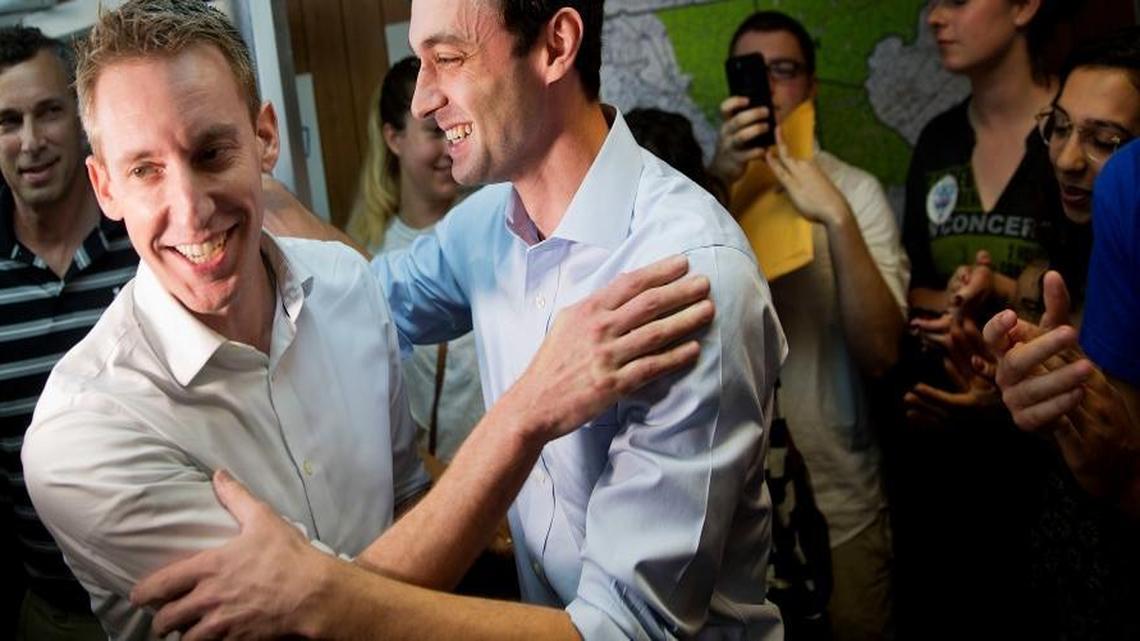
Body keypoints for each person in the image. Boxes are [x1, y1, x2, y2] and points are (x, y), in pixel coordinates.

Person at [21, 2, 715, 639]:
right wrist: (526, 410)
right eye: (145, 170)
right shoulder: (82, 435)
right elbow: (299, 627)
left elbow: (406, 501)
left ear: (264, 138)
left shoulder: (349, 288)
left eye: (212, 152)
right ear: (105, 185)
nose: (192, 206)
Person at [708, 11, 908, 640]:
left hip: (839, 498)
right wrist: (718, 180)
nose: (769, 88)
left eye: (784, 71)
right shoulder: (695, 198)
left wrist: (837, 220)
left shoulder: (857, 190)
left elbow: (882, 353)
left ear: (812, 85)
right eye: (751, 74)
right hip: (725, 513)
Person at [0, 25, 138, 640]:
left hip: (178, 603)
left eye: (48, 112)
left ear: (81, 119)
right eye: (7, 121)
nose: (30, 142)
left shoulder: (148, 242)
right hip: (51, 615)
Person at [345, 56, 483, 463]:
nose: (449, 146)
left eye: (455, 128)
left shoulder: (494, 225)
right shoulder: (373, 254)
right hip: (447, 482)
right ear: (394, 139)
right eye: (432, 132)